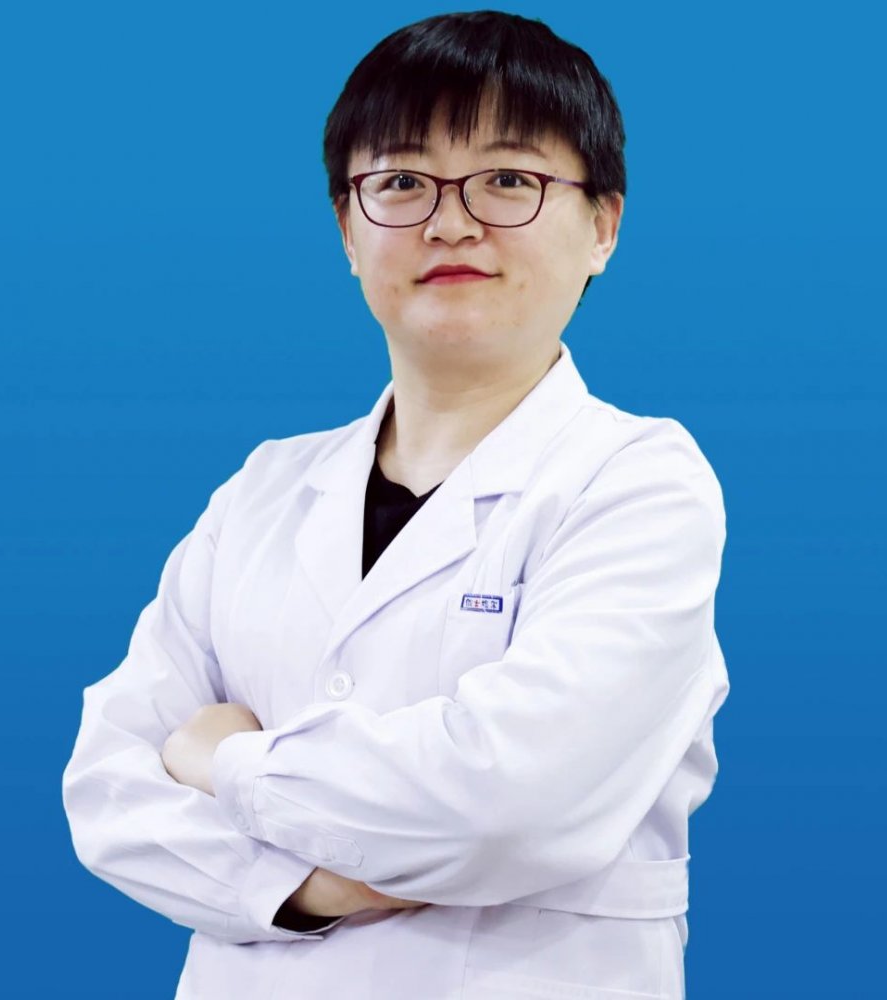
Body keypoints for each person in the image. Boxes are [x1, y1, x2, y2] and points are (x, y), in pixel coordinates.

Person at [62, 10, 729, 999]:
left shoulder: (638, 482)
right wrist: (310, 889)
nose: (450, 222)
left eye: (509, 180)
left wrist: (227, 759)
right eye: (402, 183)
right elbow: (107, 786)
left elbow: (507, 804)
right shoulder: (263, 490)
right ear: (347, 227)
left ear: (603, 226)